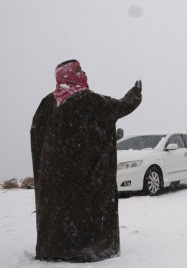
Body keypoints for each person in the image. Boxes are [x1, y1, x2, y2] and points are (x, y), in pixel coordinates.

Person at [30, 60, 142, 262]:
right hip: (83, 175)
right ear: (70, 75)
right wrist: (134, 94)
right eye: (79, 70)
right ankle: (84, 247)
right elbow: (119, 107)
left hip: (56, 178)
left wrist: (49, 164)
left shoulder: (48, 103)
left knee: (61, 213)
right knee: (84, 211)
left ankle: (56, 247)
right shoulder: (88, 100)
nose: (84, 73)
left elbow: (36, 133)